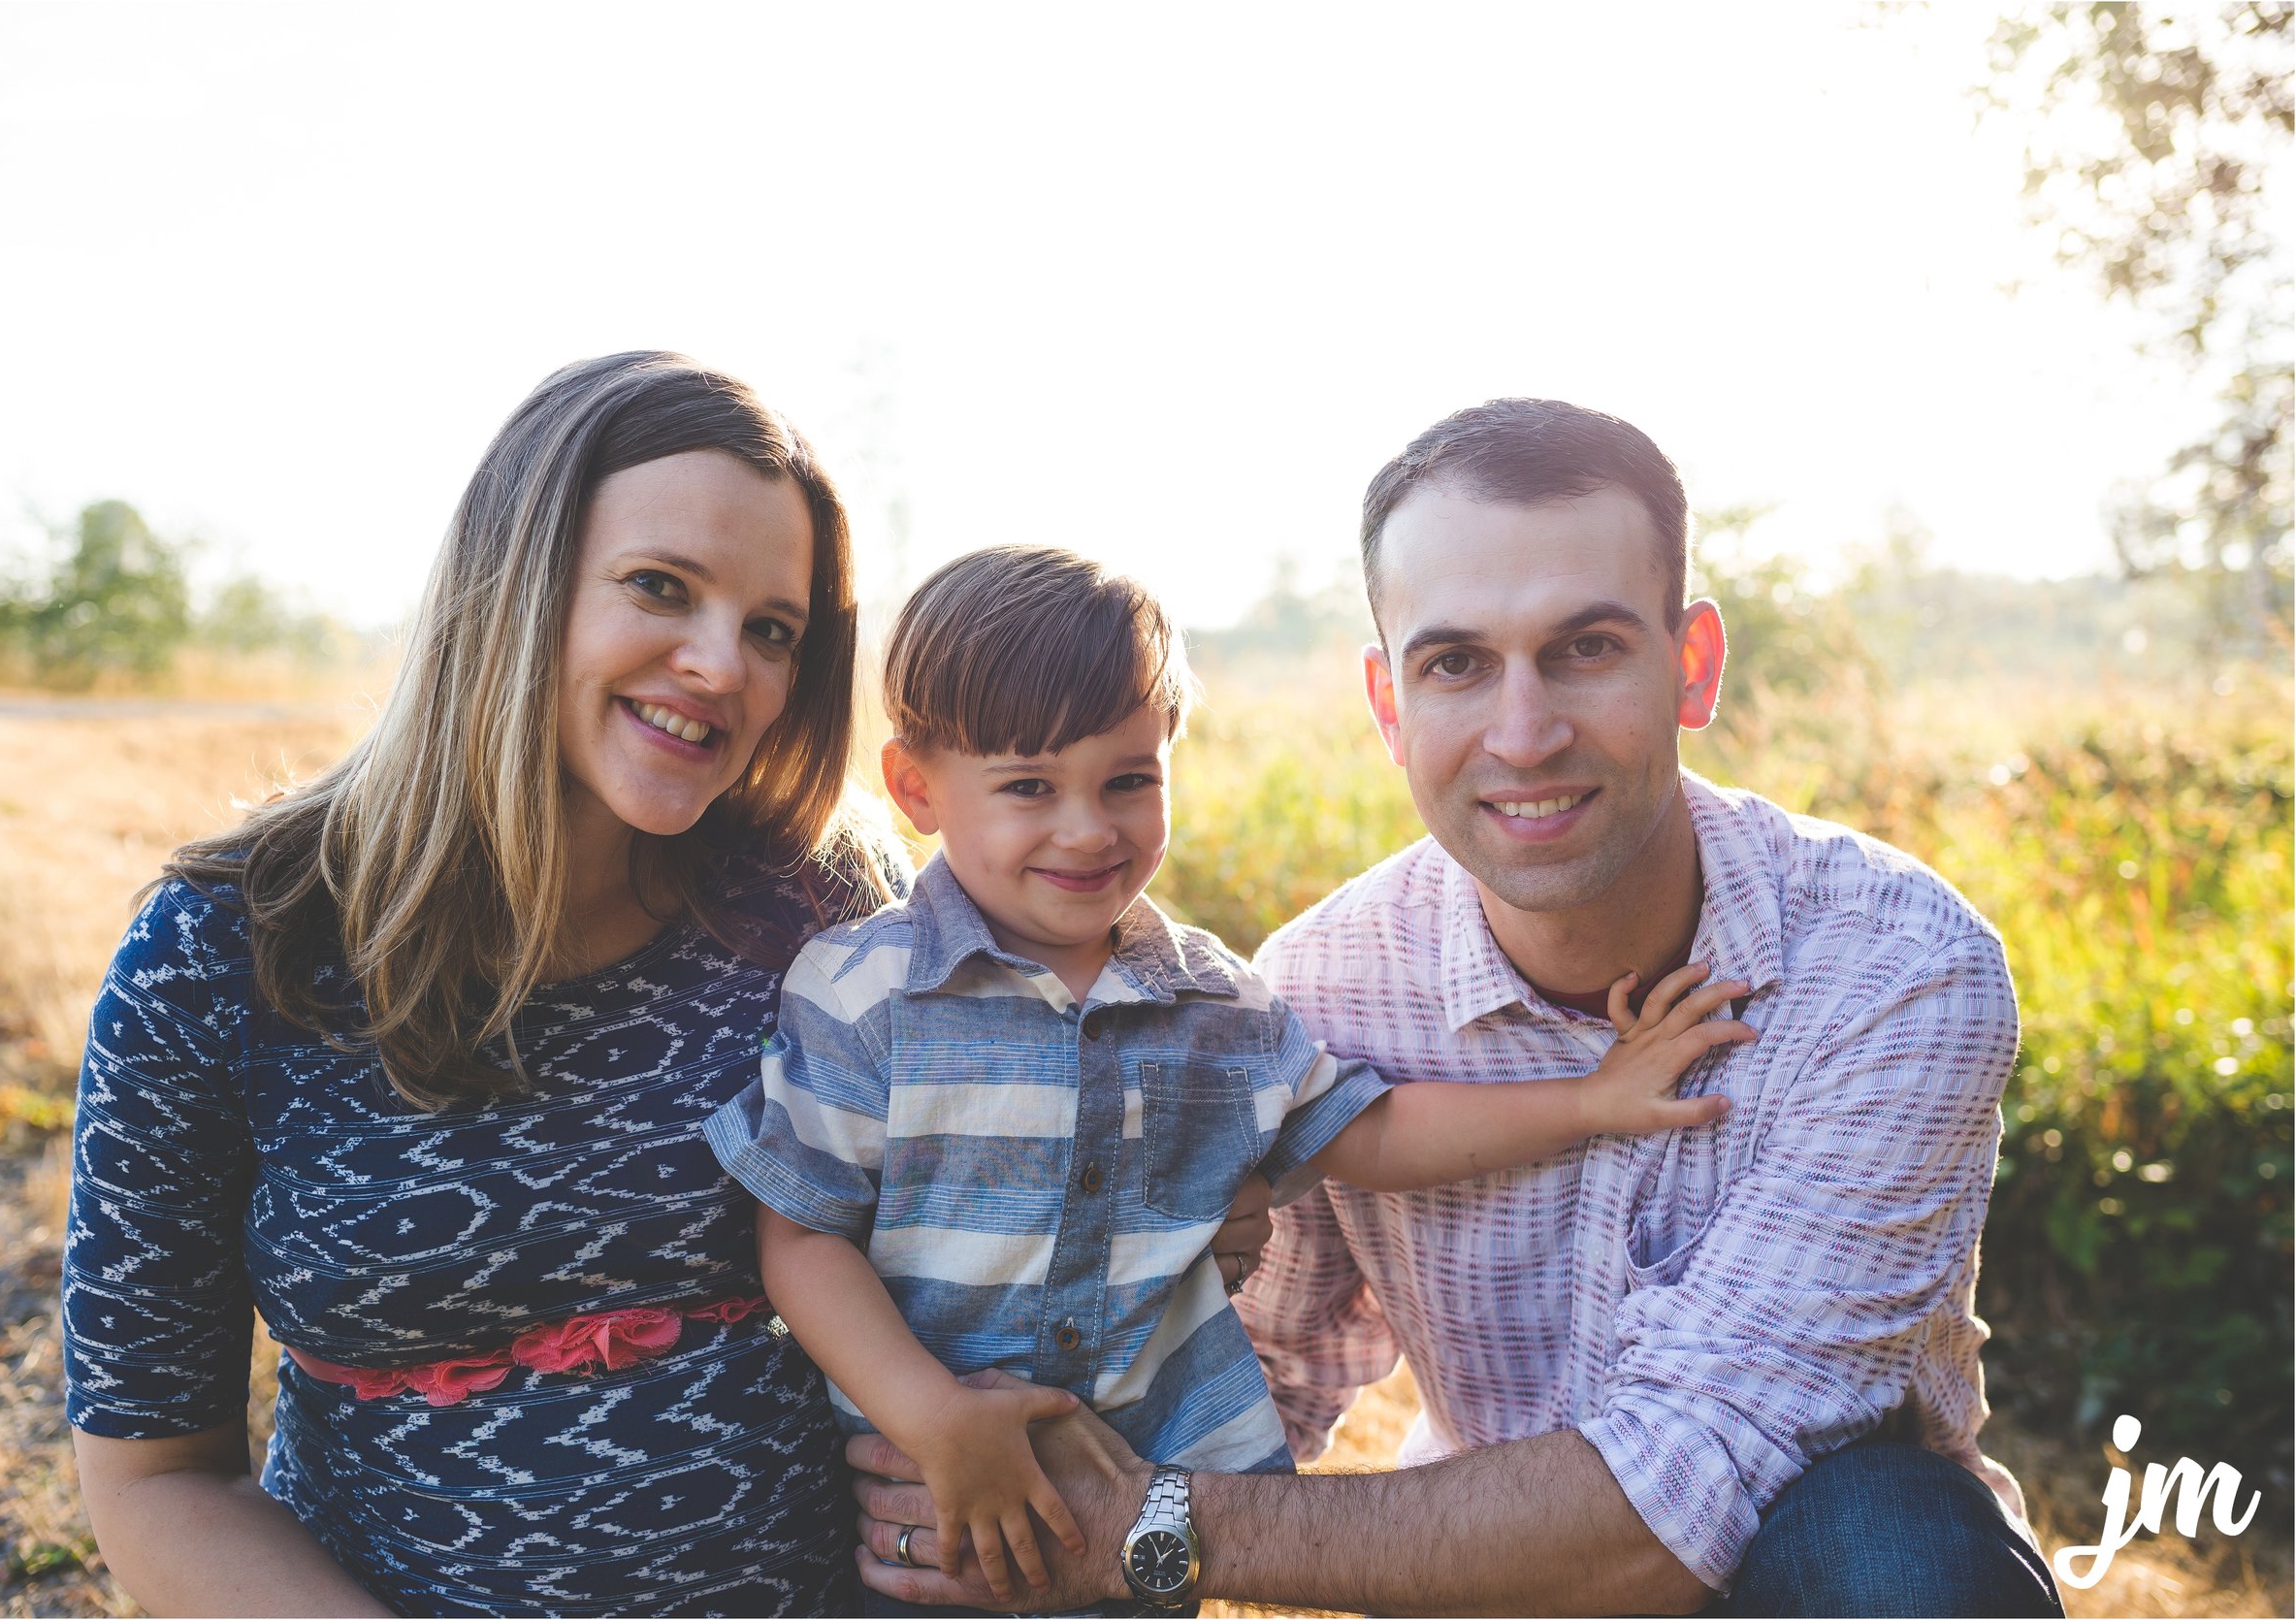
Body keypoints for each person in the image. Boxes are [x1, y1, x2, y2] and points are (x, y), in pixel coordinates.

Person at [850, 400, 2067, 1616]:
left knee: (1891, 1537)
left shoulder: (1888, 969)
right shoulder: (1320, 991)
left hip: (1806, 1585)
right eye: (1456, 663)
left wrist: (1143, 1533)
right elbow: (1255, 1373)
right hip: (1495, 1588)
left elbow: (1692, 1496)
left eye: (1586, 647)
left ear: (1690, 664)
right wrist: (1005, 1478)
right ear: (1389, 704)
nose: (1523, 733)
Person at [708, 544, 1751, 1614]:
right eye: (1028, 787)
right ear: (915, 788)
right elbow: (802, 1231)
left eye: (1128, 779)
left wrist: (1591, 1100)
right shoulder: (863, 993)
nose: (1087, 827)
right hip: (926, 1518)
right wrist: (933, 1416)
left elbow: (1371, 1130)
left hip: (1135, 1501)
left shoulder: (1212, 1003)